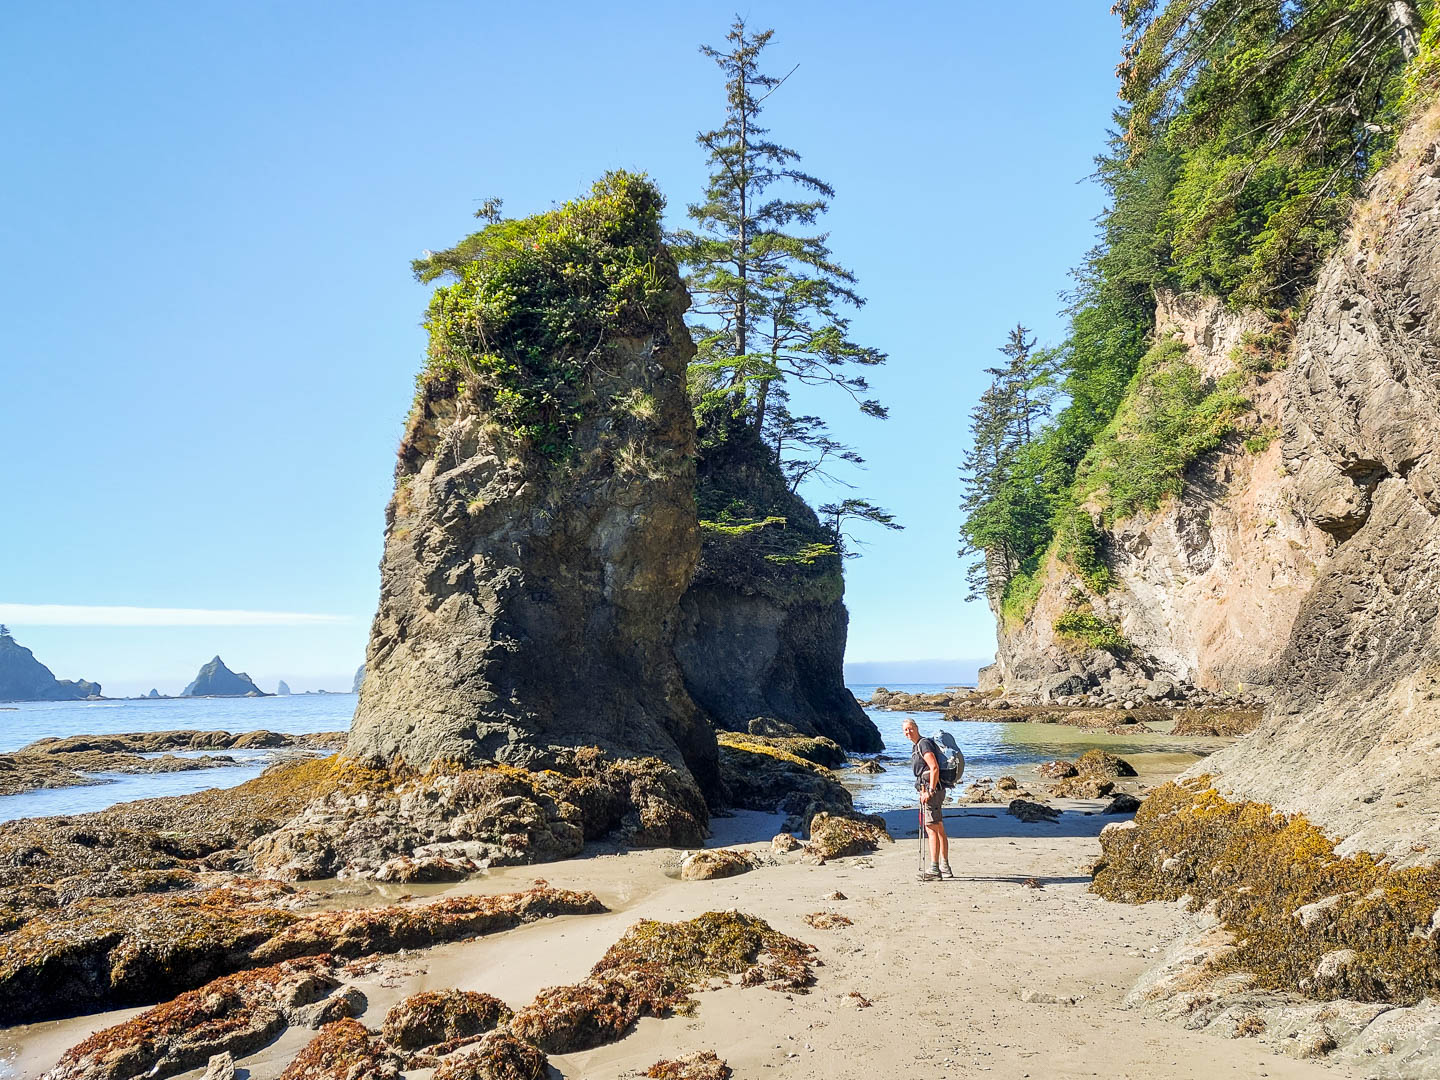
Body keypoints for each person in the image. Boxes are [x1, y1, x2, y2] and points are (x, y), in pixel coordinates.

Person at [903, 717, 951, 879]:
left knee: (931, 829)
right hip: (935, 790)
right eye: (905, 730)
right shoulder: (918, 745)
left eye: (910, 728)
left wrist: (929, 791)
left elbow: (934, 767)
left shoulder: (923, 744)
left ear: (916, 728)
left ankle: (934, 869)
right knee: (939, 828)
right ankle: (945, 866)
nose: (908, 732)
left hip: (932, 792)